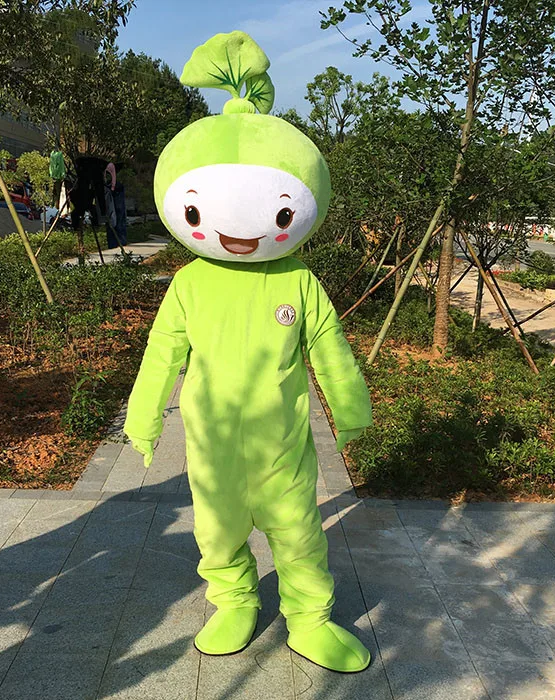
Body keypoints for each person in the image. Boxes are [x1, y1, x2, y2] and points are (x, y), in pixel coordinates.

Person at [123, 31, 372, 674]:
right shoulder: (188, 284)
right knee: (217, 531)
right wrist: (143, 418)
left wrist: (350, 411)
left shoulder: (297, 280)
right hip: (210, 446)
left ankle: (309, 618)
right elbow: (161, 354)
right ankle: (234, 601)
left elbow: (329, 347)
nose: (237, 232)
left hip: (282, 444)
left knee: (299, 532)